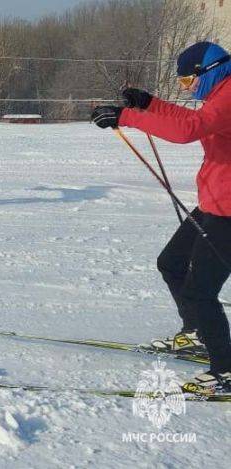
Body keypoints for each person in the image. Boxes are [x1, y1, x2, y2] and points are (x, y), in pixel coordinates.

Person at [91, 41, 231, 394]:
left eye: (187, 82)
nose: (188, 88)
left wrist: (127, 117)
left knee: (201, 292)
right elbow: (191, 120)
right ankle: (198, 334)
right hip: (214, 201)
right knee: (171, 262)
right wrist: (152, 105)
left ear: (207, 71)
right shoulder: (220, 95)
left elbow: (187, 131)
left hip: (229, 211)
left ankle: (226, 371)